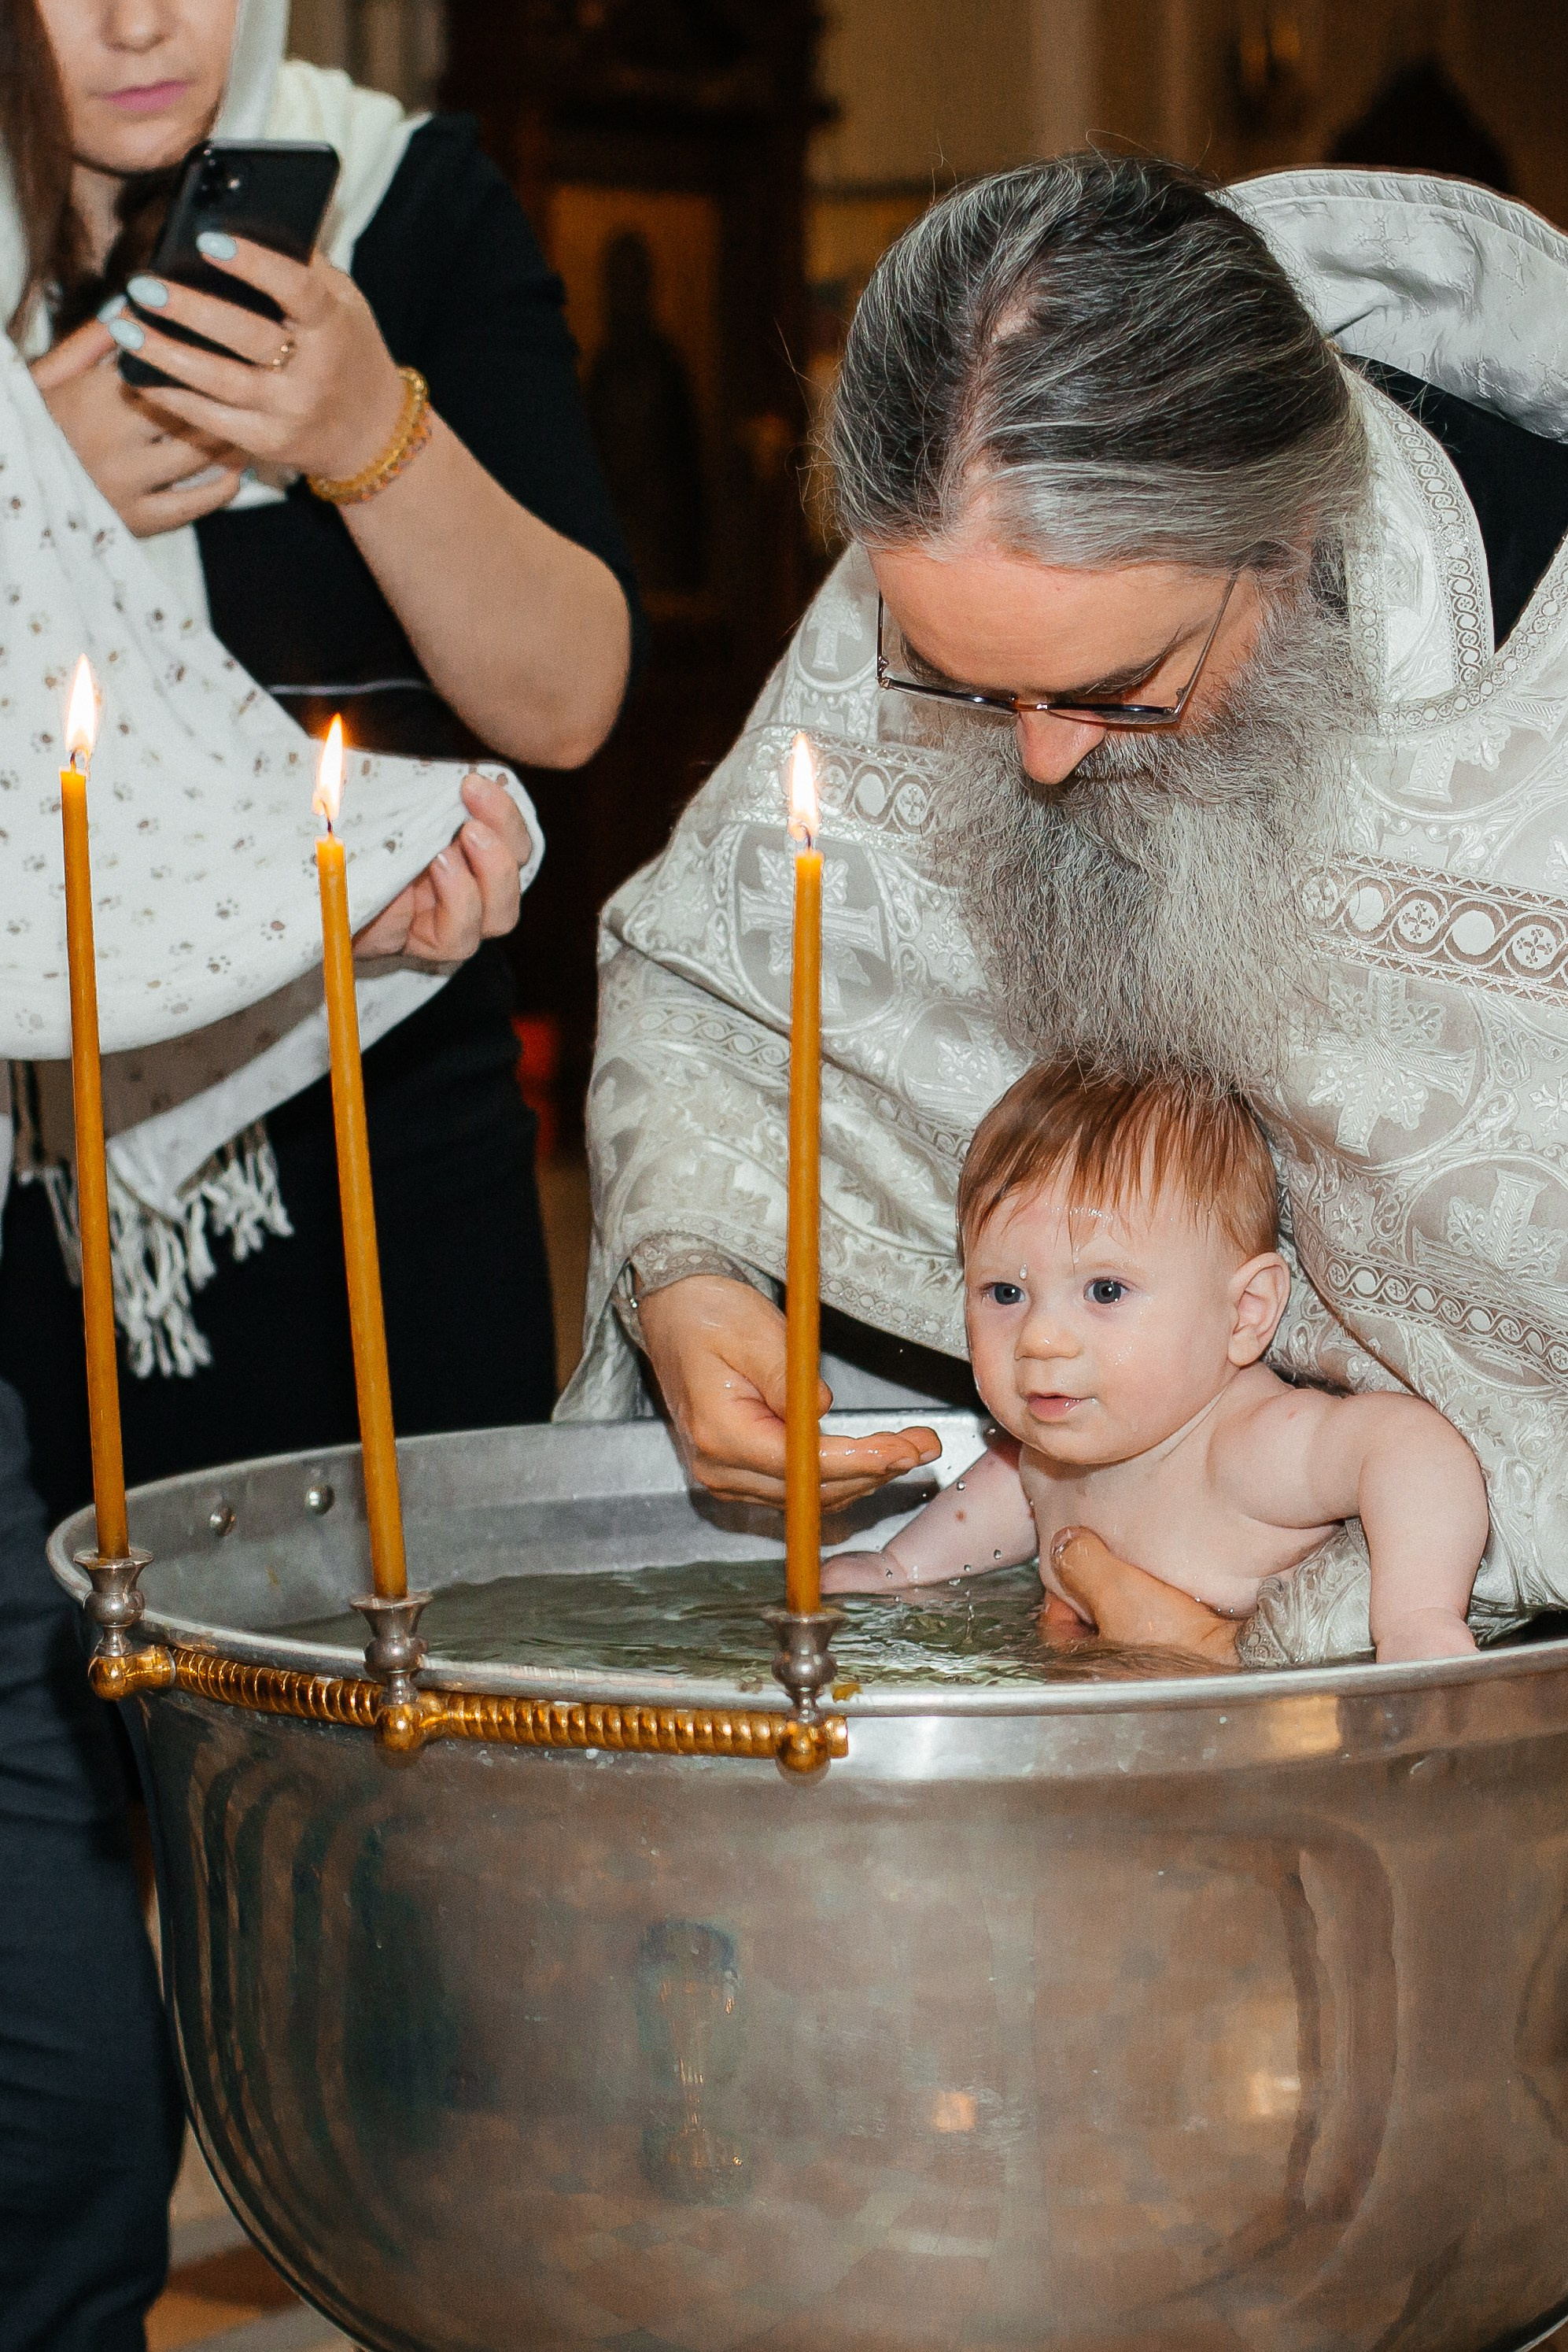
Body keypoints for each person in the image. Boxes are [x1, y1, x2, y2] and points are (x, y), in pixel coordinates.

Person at [561, 151, 1568, 1667]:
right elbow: (714, 971)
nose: (1034, 758)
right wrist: (692, 1273)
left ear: (1287, 536)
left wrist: (1276, 1637)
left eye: (1112, 689)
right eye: (968, 686)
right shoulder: (974, 546)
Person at [0, 0, 641, 1522]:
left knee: (421, 1718)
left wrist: (364, 429)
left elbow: (568, 698)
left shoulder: (404, 198)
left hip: (392, 1131)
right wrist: (30, 489)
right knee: (101, 1738)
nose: (144, 19)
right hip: (54, 1179)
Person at [822, 1063, 1487, 1664]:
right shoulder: (1046, 1456)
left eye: (1105, 1290)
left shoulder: (1246, 1450)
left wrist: (1415, 1616)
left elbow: (1410, 1448)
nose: (1041, 1338)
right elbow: (1003, 1498)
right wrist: (898, 1567)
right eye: (1005, 1292)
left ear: (1245, 1313)